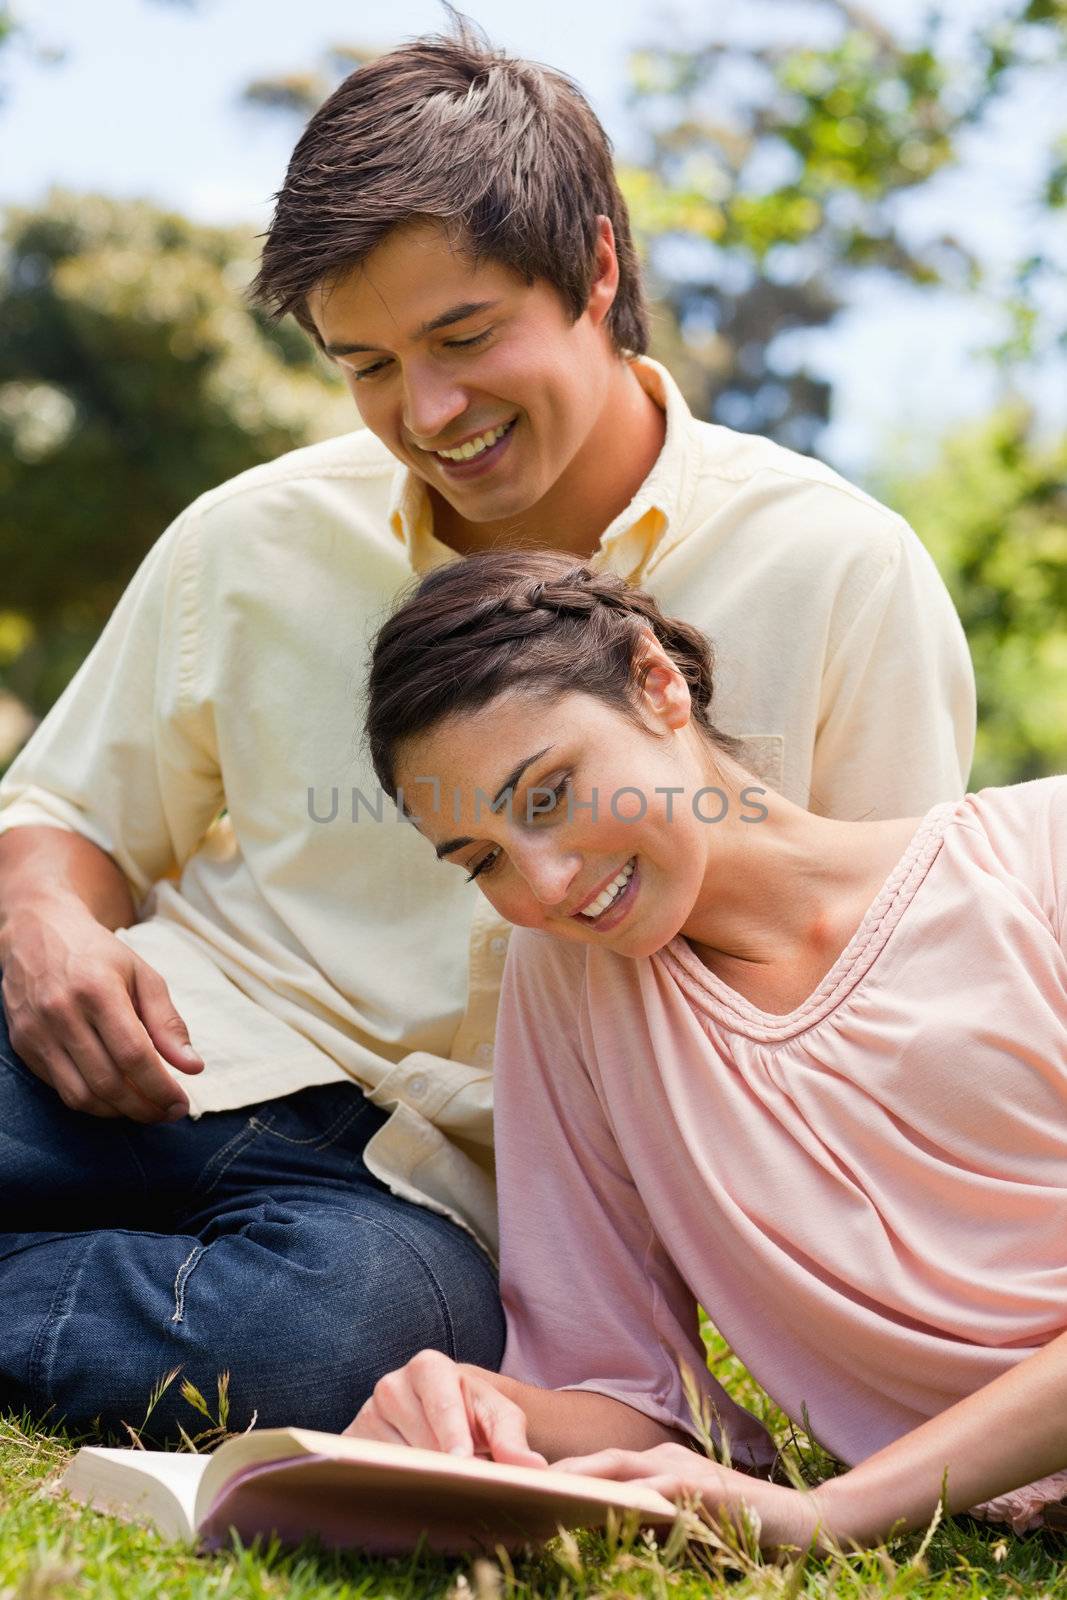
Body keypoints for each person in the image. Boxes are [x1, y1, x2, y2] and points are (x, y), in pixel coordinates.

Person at [0, 21, 973, 1442]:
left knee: (341, 1341)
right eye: (369, 366)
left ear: (591, 269)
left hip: (418, 1205)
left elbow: (877, 976)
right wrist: (50, 934)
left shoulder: (834, 569)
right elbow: (70, 814)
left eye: (462, 340)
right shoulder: (253, 537)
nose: (427, 413)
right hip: (169, 1050)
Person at [349, 548, 1067, 1550]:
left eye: (547, 795)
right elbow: (623, 1393)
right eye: (483, 860)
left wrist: (833, 1511)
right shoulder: (569, 982)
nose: (546, 885)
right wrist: (470, 1408)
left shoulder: (1039, 857)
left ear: (655, 683)